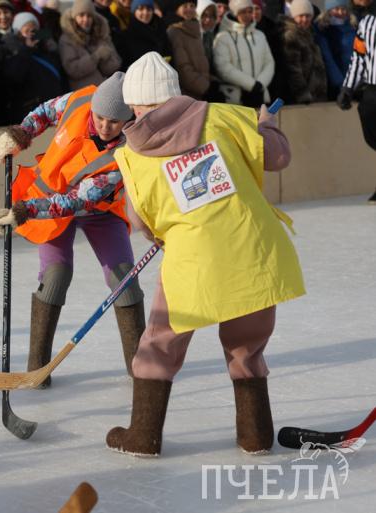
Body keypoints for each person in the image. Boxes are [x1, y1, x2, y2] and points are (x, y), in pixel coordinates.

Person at [106, 51, 304, 456]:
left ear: (135, 103)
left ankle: (143, 436)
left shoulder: (129, 154)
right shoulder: (226, 116)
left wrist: (164, 234)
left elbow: (140, 219)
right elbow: (279, 156)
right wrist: (266, 125)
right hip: (251, 247)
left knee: (160, 342)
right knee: (247, 345)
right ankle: (254, 435)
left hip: (191, 258)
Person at [0, 72, 146, 387]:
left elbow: (77, 201)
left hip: (99, 210)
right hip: (48, 198)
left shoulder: (125, 152)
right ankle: (37, 368)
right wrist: (21, 133)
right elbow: (46, 112)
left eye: (114, 122)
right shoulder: (80, 99)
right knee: (56, 275)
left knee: (124, 278)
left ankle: (141, 368)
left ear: (127, 119)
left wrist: (26, 211)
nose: (105, 126)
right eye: (100, 117)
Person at [338, 8, 376, 202]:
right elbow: (359, 57)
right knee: (369, 125)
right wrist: (348, 87)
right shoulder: (367, 22)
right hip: (373, 86)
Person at [2, 11, 65, 122]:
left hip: (54, 110)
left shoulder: (48, 52)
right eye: (27, 31)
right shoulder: (12, 52)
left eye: (35, 30)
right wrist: (27, 49)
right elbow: (14, 77)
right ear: (18, 33)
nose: (32, 34)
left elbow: (61, 79)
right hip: (30, 113)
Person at [213, 0, 275, 106]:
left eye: (250, 11)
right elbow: (223, 67)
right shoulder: (223, 37)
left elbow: (269, 62)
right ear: (235, 13)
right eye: (242, 12)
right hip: (235, 99)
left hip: (259, 95)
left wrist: (260, 84)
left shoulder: (260, 35)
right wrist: (251, 85)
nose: (247, 15)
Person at [166, 0, 224, 100]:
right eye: (185, 6)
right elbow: (183, 68)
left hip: (200, 90)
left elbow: (200, 63)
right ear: (177, 9)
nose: (189, 9)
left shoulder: (194, 29)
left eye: (192, 6)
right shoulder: (175, 31)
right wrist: (206, 88)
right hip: (188, 94)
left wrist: (212, 81)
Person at [58, 0, 122, 88]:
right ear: (74, 17)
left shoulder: (101, 34)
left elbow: (116, 64)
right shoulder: (66, 40)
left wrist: (104, 59)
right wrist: (96, 56)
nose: (86, 19)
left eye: (89, 16)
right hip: (85, 92)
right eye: (81, 15)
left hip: (108, 87)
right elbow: (73, 70)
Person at [278, 0, 328, 104]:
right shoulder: (290, 36)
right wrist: (303, 94)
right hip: (302, 97)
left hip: (316, 94)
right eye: (300, 16)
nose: (304, 19)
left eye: (308, 16)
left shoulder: (310, 33)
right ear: (293, 17)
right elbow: (293, 69)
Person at [315, 0, 358, 100]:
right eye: (336, 9)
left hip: (354, 81)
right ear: (329, 9)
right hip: (334, 83)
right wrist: (340, 83)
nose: (340, 12)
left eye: (343, 9)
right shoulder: (322, 28)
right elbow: (327, 57)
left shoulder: (353, 25)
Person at [117, 0, 171, 70]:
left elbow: (169, 53)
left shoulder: (161, 28)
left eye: (149, 9)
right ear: (134, 12)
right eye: (140, 9)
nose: (145, 13)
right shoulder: (126, 36)